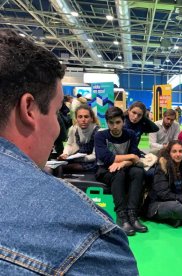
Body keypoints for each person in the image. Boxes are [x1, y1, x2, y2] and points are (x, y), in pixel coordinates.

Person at [0, 30, 138, 274]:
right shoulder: (88, 237)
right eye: (55, 113)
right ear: (29, 109)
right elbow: (102, 157)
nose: (57, 127)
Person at [95, 106, 148, 236]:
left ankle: (132, 214)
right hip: (105, 170)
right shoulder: (100, 135)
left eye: (118, 122)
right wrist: (130, 157)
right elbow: (106, 158)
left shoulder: (130, 134)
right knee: (118, 173)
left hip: (125, 167)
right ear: (107, 123)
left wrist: (124, 162)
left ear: (123, 122)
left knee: (138, 172)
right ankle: (122, 216)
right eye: (111, 123)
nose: (115, 126)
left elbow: (136, 156)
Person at [146, 140, 182, 227]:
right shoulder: (162, 167)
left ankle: (176, 219)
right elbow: (163, 194)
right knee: (178, 208)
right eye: (174, 151)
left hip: (180, 200)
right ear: (169, 153)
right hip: (159, 203)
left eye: (180, 151)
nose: (178, 154)